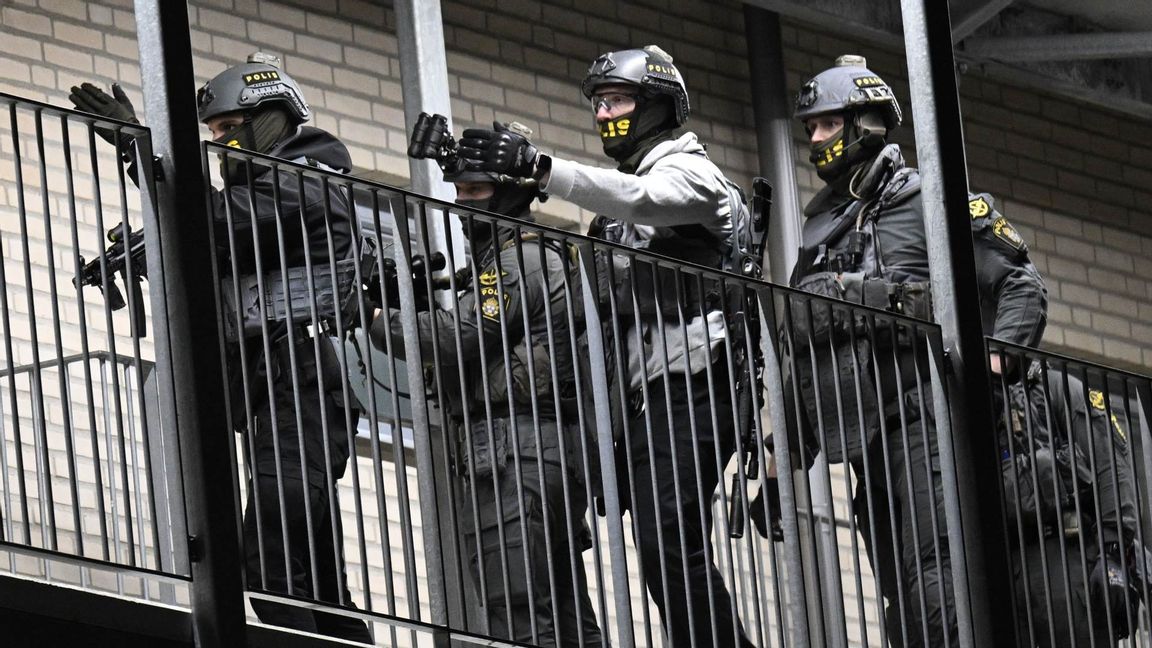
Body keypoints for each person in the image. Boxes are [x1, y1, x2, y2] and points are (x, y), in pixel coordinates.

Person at [458, 45, 756, 648]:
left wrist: (543, 169)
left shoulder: (694, 174)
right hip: (644, 403)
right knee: (659, 547)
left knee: (668, 538)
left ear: (657, 106)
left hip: (697, 383)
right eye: (597, 105)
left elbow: (642, 199)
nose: (603, 115)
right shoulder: (617, 209)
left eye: (616, 101)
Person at [71, 54, 373, 642]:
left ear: (268, 119)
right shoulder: (267, 198)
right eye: (213, 133)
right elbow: (220, 245)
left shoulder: (308, 173)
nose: (220, 142)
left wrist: (140, 148)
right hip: (279, 393)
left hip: (302, 389)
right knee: (318, 585)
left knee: (267, 566)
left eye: (227, 128)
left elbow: (214, 219)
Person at [773, 54, 1048, 648]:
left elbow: (1021, 283)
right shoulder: (821, 233)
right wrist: (783, 461)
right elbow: (810, 349)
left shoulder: (929, 197)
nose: (815, 139)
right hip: (867, 435)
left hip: (929, 420)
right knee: (902, 595)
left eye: (826, 124)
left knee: (935, 575)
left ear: (866, 122)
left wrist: (997, 362)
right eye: (809, 128)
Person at [369, 146, 603, 647]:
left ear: (511, 192)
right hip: (536, 448)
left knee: (518, 610)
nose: (463, 204)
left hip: (513, 452)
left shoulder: (517, 261)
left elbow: (462, 333)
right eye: (458, 192)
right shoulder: (523, 257)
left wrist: (377, 321)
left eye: (476, 191)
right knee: (563, 613)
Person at [997, 363, 1143, 648]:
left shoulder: (1056, 386)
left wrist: (1113, 552)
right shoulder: (983, 403)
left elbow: (1109, 465)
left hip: (1068, 558)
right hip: (1012, 571)